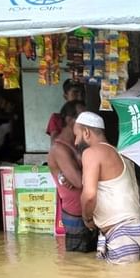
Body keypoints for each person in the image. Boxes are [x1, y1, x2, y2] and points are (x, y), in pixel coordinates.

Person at [75, 111, 140, 264]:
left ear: (86, 132)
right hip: (137, 232)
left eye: (76, 135)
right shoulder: (123, 154)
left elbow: (89, 195)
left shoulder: (91, 153)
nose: (75, 142)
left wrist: (87, 217)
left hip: (121, 235)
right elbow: (139, 193)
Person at [47, 101, 97, 252]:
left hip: (88, 213)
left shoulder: (77, 145)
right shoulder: (59, 149)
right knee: (80, 266)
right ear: (69, 120)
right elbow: (78, 181)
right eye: (82, 117)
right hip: (76, 217)